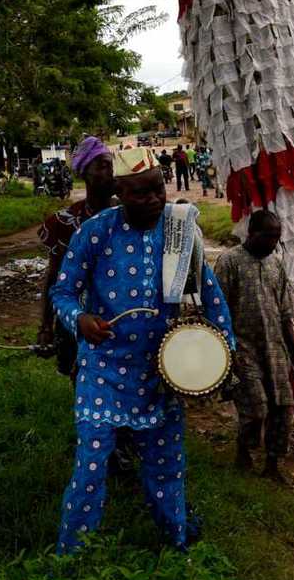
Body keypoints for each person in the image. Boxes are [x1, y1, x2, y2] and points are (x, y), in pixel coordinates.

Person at [49, 147, 236, 552]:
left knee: (167, 467)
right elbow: (61, 292)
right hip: (103, 371)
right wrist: (79, 320)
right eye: (140, 193)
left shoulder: (179, 231)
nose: (153, 199)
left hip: (159, 374)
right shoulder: (96, 232)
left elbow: (211, 295)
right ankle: (71, 556)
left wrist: (226, 353)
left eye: (158, 189)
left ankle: (176, 542)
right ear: (119, 193)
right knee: (91, 467)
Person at [214, 210, 294, 483]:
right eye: (268, 236)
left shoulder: (276, 264)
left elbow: (285, 313)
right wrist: (224, 353)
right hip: (243, 349)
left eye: (277, 237)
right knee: (256, 408)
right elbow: (217, 310)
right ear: (251, 233)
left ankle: (273, 465)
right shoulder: (229, 262)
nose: (273, 243)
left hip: (275, 348)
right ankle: (244, 450)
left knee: (282, 408)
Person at [38, 137, 116, 375]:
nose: (110, 172)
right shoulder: (64, 223)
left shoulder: (129, 214)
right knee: (80, 376)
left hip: (121, 315)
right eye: (102, 166)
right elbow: (54, 277)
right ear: (84, 174)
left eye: (111, 165)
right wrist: (46, 326)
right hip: (78, 318)